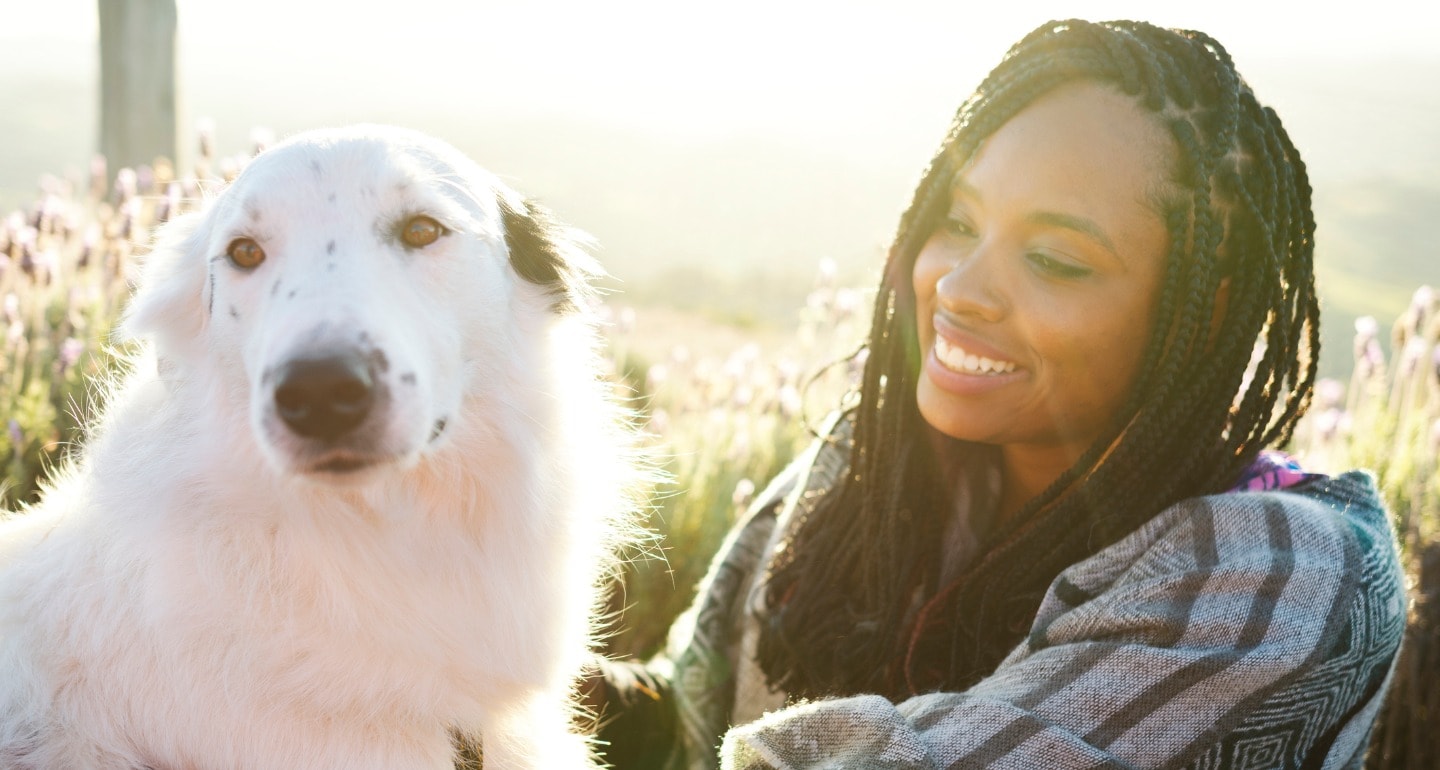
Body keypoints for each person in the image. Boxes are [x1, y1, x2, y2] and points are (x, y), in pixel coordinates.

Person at [588, 18, 1406, 770]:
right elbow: (683, 709)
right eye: (957, 220)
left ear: (1202, 315)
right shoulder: (867, 467)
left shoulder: (1288, 582)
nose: (959, 287)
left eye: (1054, 260)